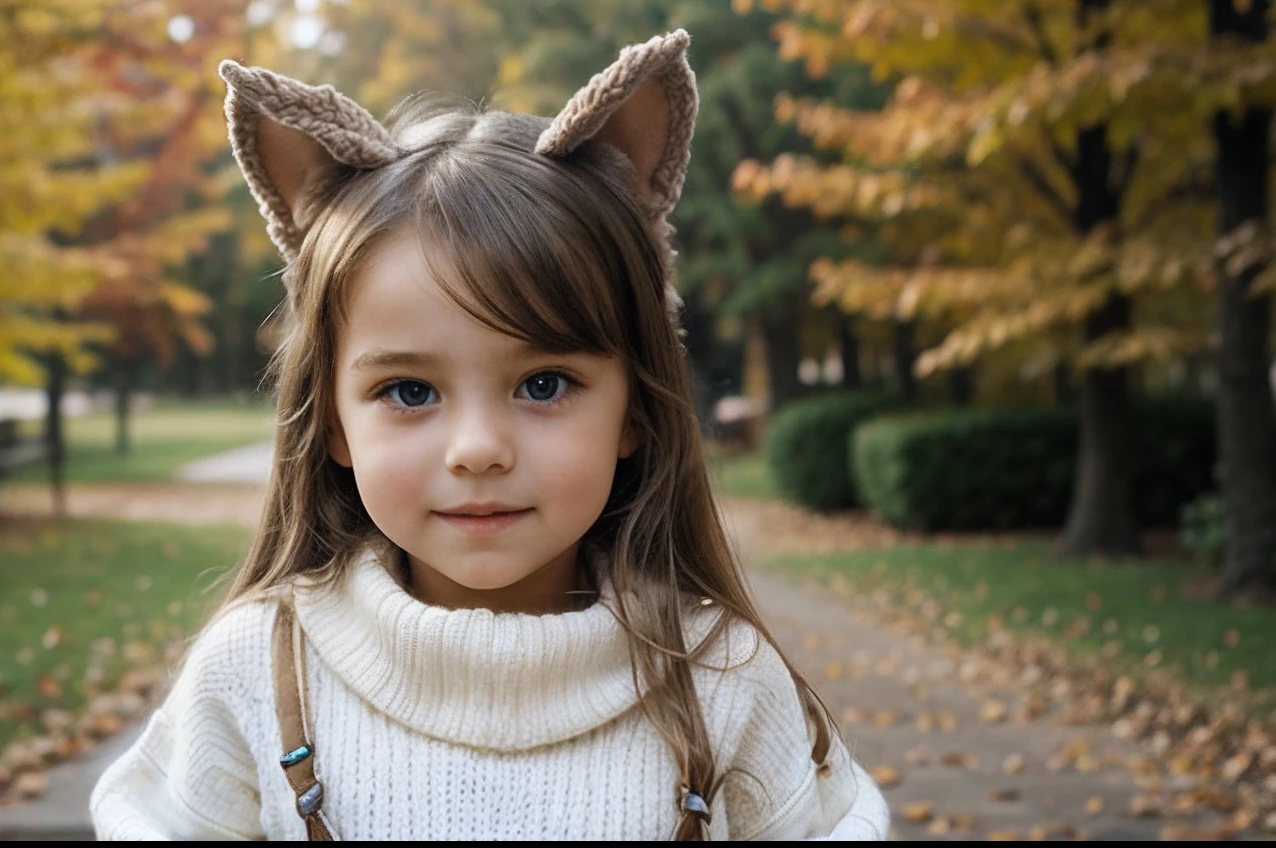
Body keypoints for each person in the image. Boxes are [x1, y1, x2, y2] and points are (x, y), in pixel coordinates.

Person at [89, 30, 889, 841]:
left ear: (635, 410)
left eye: (544, 385)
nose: (477, 448)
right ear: (333, 422)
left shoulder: (725, 681)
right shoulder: (256, 673)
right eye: (408, 391)